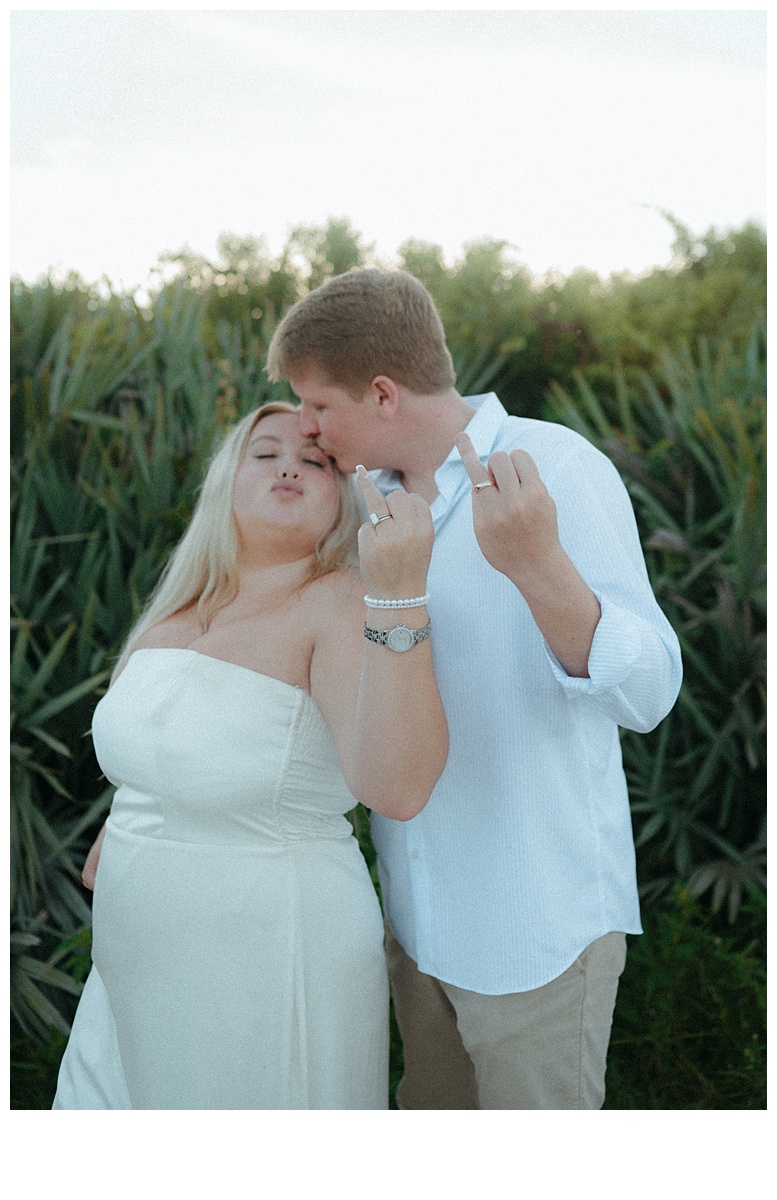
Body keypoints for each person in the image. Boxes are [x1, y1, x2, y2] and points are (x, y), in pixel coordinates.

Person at [264, 269, 684, 1110]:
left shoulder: (553, 464)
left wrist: (539, 570)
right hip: (415, 926)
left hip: (536, 927)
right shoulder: (364, 504)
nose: (305, 429)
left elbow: (649, 693)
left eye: (316, 404)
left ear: (382, 393)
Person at [53, 401, 448, 1110]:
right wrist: (145, 810)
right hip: (131, 965)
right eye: (264, 452)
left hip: (270, 954)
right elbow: (175, 749)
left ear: (345, 496)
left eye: (318, 460)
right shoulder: (176, 612)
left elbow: (398, 786)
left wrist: (399, 597)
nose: (290, 464)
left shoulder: (340, 601)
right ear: (224, 481)